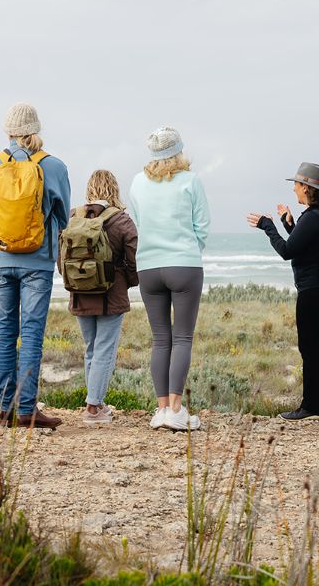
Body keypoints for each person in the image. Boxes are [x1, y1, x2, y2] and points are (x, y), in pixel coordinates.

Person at [0, 103, 70, 429]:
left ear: (8, 132)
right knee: (31, 334)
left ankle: (6, 409)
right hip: (37, 261)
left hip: (0, 257)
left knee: (5, 333)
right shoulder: (54, 166)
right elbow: (62, 217)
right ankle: (27, 410)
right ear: (36, 130)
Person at [246, 162, 319, 420]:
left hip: (314, 291)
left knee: (310, 348)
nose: (293, 189)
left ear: (306, 187)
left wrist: (267, 225)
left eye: (296, 184)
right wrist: (287, 223)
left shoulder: (314, 217)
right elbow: (306, 247)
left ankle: (310, 406)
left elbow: (287, 251)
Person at [127, 127, 210, 432]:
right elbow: (202, 225)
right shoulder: (191, 180)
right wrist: (189, 249)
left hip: (148, 266)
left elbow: (139, 221)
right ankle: (176, 409)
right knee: (183, 337)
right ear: (178, 151)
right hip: (184, 264)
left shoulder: (137, 182)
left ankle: (161, 409)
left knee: (160, 339)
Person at [61, 170, 139, 426]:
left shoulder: (74, 216)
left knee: (91, 349)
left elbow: (61, 257)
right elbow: (133, 259)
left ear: (90, 188)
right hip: (110, 294)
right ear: (114, 189)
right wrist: (128, 282)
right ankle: (93, 408)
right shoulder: (121, 220)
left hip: (80, 292)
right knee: (105, 349)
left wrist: (72, 279)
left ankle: (96, 402)